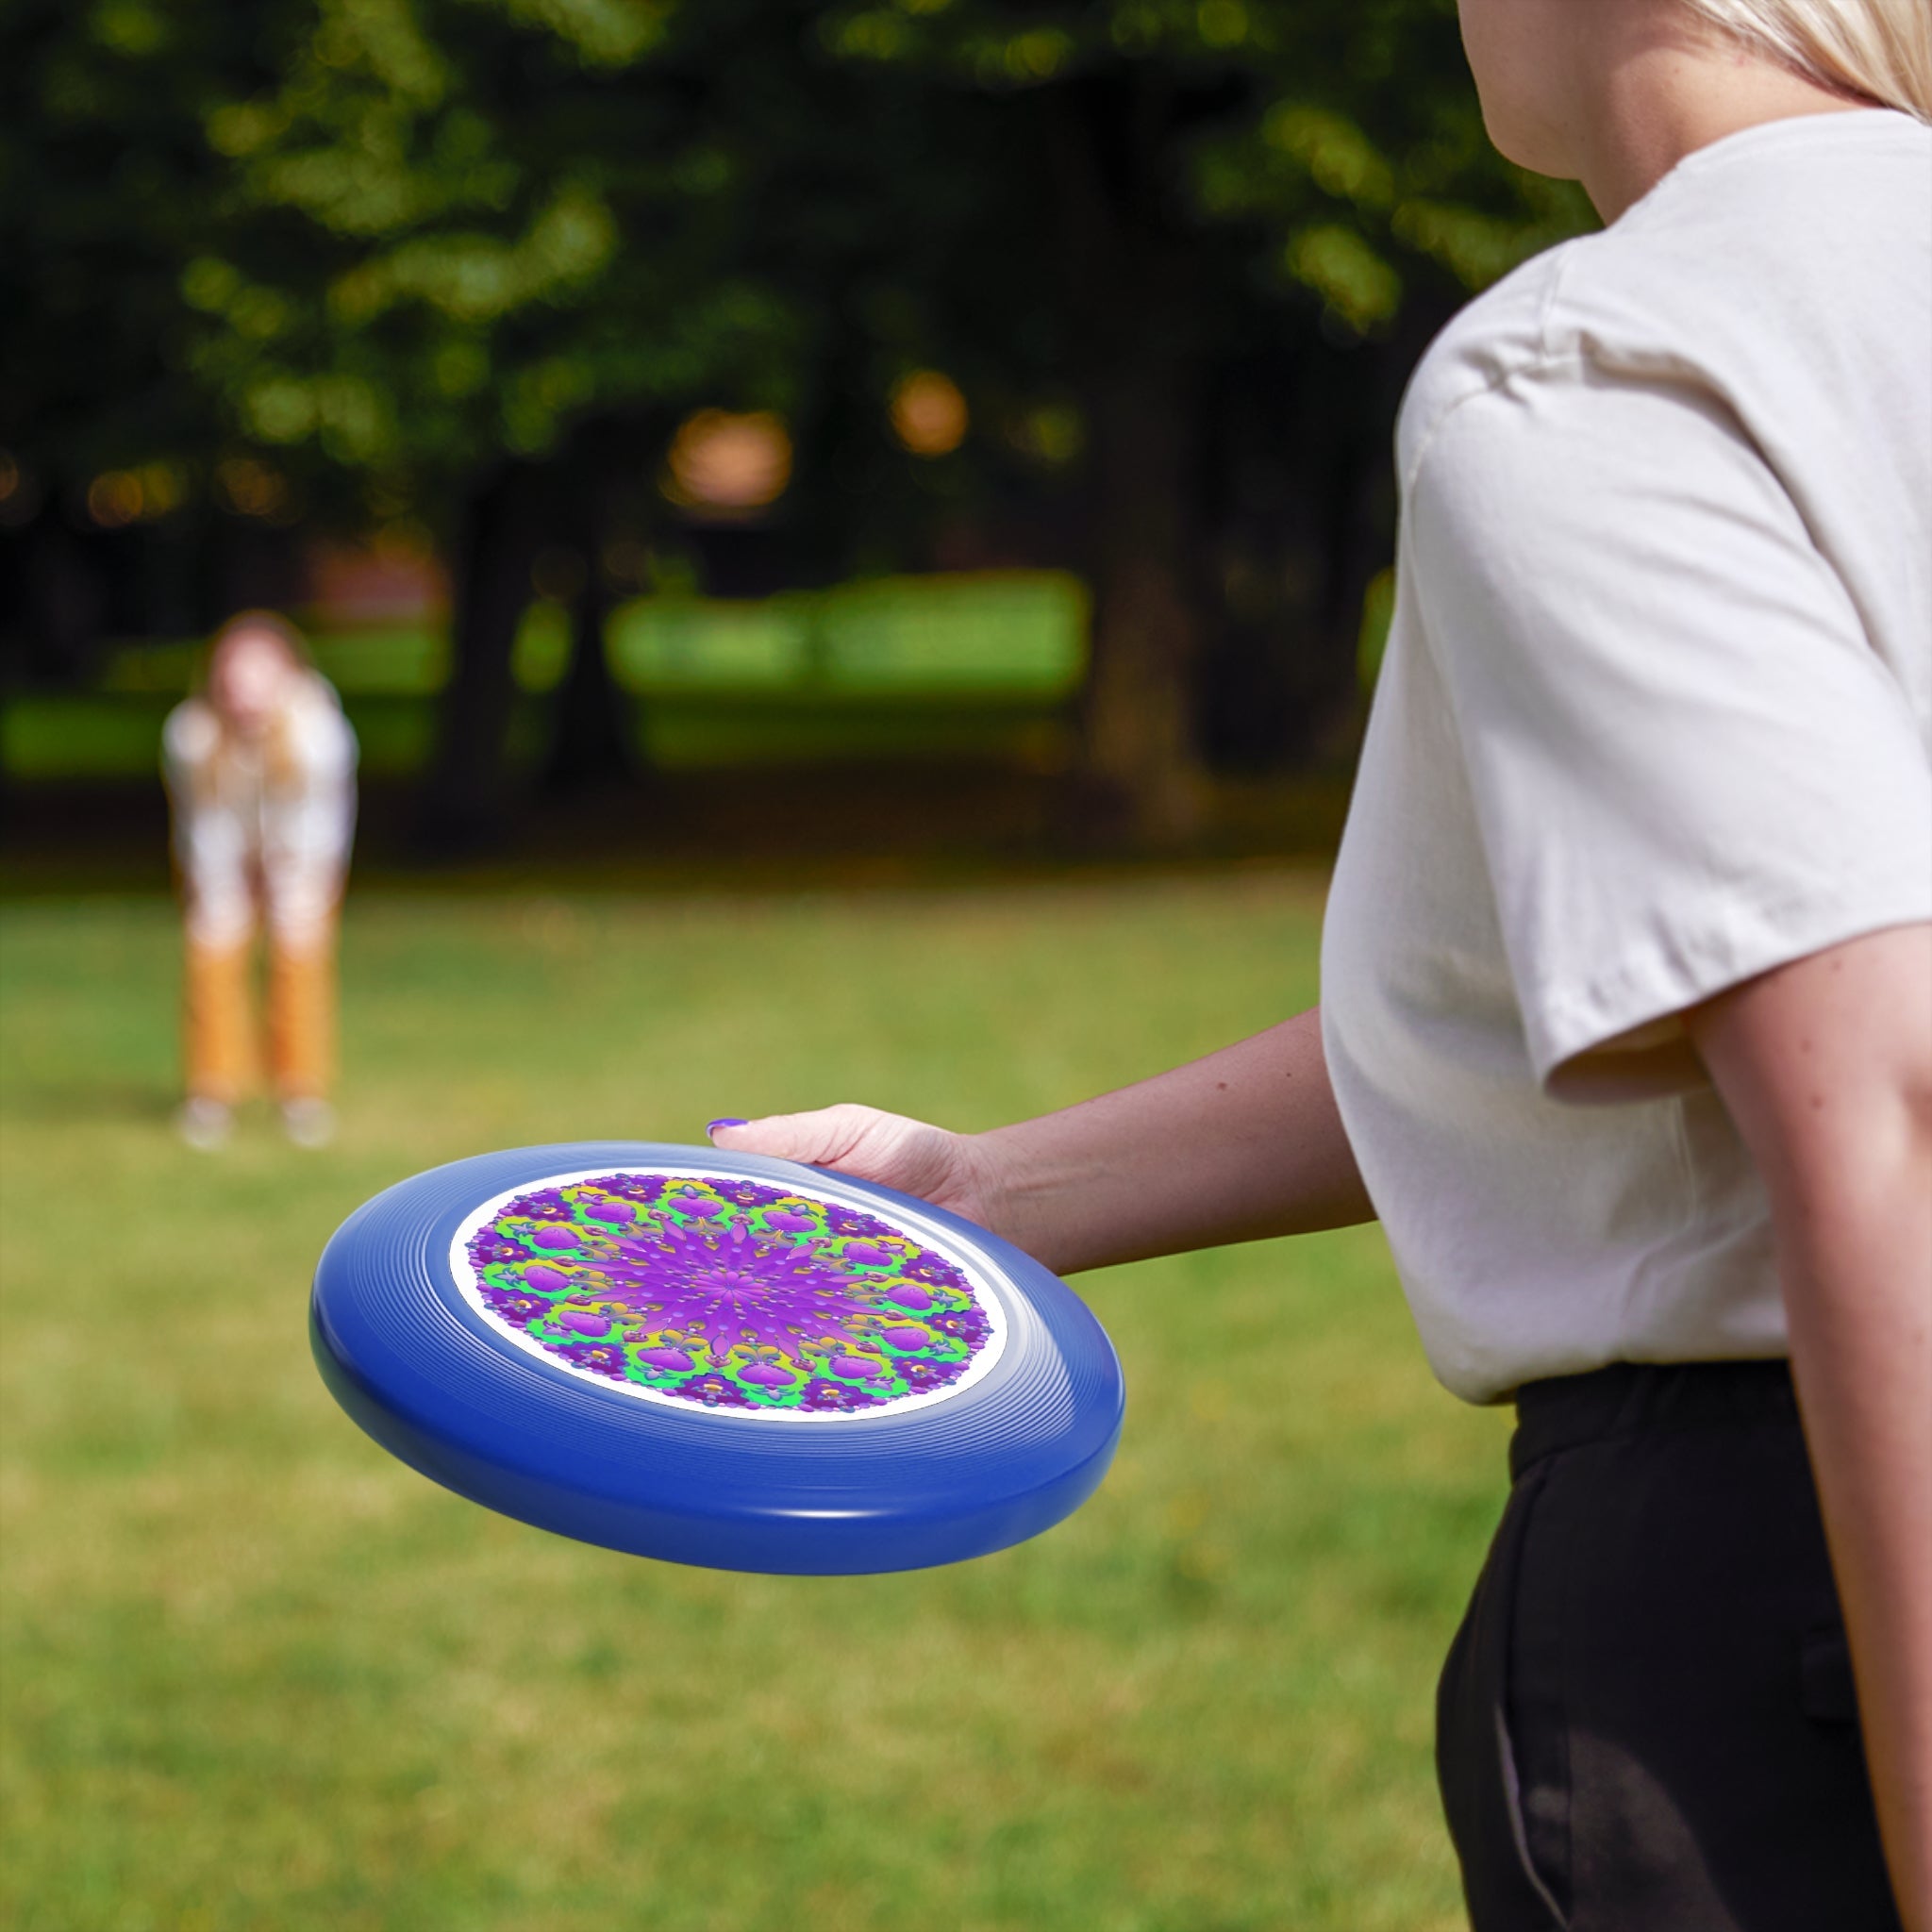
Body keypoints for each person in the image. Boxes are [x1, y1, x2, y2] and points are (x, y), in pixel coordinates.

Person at [708, 2, 1932, 1925]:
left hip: (1795, 1590)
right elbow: (1647, 985)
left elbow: (1883, 1097)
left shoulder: (1609, 360)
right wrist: (987, 1191)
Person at [162, 610, 358, 1151]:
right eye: (233, 675)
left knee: (299, 958)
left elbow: (318, 824)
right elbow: (204, 824)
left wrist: (287, 882)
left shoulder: (319, 734)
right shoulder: (191, 735)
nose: (244, 690)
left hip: (302, 858)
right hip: (221, 856)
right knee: (212, 952)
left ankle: (300, 1092)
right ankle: (212, 1091)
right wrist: (224, 888)